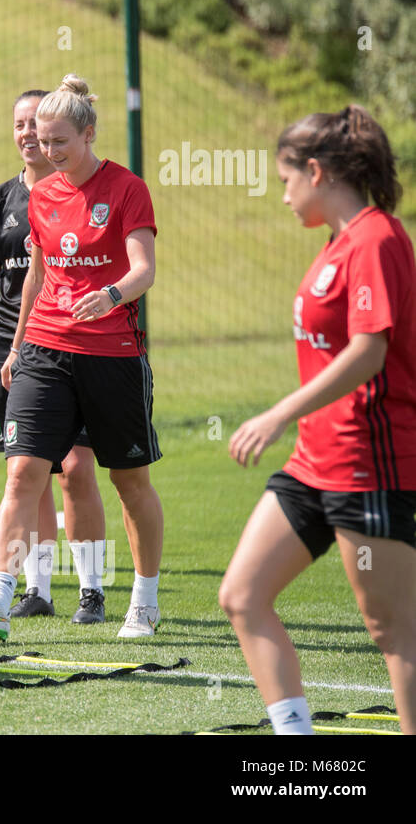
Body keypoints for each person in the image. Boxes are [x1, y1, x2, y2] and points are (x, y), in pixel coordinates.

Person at [0, 74, 165, 641]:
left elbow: (144, 269)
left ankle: (142, 600)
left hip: (111, 352)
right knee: (22, 472)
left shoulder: (127, 189)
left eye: (59, 141)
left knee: (129, 481)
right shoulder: (40, 195)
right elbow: (37, 280)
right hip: (44, 347)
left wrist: (112, 294)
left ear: (88, 133)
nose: (48, 151)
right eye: (42, 142)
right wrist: (15, 347)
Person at [221, 105, 416, 734]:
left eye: (285, 181)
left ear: (315, 170)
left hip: (370, 462)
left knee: (394, 631)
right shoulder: (337, 242)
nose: (283, 197)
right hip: (314, 463)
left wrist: (277, 413)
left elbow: (369, 350)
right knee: (243, 596)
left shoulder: (378, 238)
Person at [0, 90, 108, 621]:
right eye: (20, 124)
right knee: (27, 472)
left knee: (76, 467)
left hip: (80, 343)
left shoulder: (89, 195)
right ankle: (36, 590)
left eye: (37, 126)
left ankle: (92, 588)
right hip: (13, 347)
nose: (29, 135)